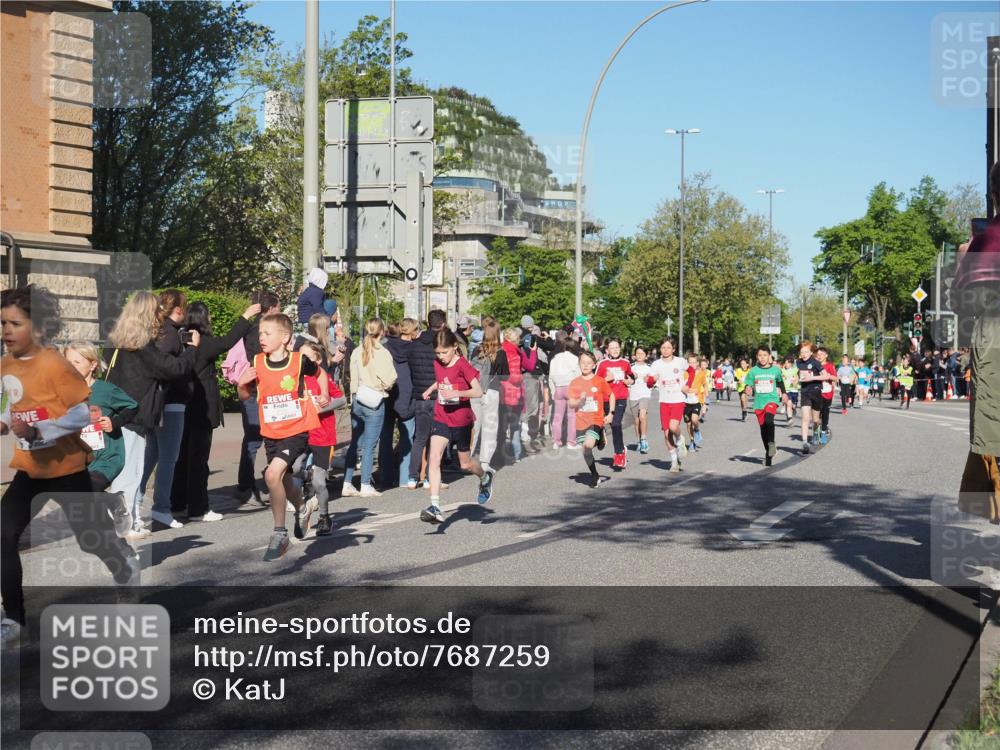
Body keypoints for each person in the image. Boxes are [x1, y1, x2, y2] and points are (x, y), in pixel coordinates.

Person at [1, 286, 138, 646]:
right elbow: (10, 408)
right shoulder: (8, 366)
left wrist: (38, 429)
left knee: (91, 542)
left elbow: (80, 413)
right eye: (2, 323)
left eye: (15, 323)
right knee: (3, 536)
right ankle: (14, 618)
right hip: (31, 469)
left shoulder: (54, 364)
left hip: (67, 468)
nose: (6, 331)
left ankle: (122, 561)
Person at [104, 291, 199, 536]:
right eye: (156, 311)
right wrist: (191, 350)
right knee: (131, 471)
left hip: (116, 412)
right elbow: (173, 368)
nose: (160, 315)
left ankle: (130, 520)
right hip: (136, 412)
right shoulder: (141, 345)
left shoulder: (116, 342)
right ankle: (124, 523)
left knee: (126, 468)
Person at [236, 312, 321, 560]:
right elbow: (245, 396)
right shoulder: (258, 363)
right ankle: (303, 506)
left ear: (285, 337)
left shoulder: (299, 361)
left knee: (272, 474)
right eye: (260, 333)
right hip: (272, 432)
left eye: (267, 333)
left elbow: (319, 373)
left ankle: (280, 533)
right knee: (283, 481)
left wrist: (323, 392)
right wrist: (241, 385)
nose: (261, 337)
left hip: (296, 430)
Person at [170, 300, 261, 522]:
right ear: (203, 317)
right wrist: (246, 316)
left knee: (181, 457)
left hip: (183, 405)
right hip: (201, 407)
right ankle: (198, 509)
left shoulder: (180, 339)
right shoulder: (203, 342)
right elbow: (228, 341)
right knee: (198, 459)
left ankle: (178, 503)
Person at [955, 159, 1000, 522]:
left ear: (995, 196)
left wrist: (962, 261)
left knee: (994, 439)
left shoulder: (986, 240)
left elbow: (960, 303)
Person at [62, 342, 138, 536]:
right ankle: (113, 508)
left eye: (77, 362)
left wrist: (115, 422)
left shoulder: (105, 390)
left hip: (107, 456)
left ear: (93, 365)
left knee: (87, 491)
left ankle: (112, 512)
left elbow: (132, 407)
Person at [419, 328, 490, 524]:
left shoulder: (463, 365)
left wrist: (457, 395)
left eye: (445, 352)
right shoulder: (437, 362)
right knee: (434, 458)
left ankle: (484, 478)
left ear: (455, 348)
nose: (441, 357)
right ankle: (435, 506)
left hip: (461, 420)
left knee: (465, 464)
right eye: (438, 353)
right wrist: (432, 388)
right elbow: (443, 380)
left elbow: (478, 391)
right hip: (442, 416)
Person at [140, 289, 197, 529]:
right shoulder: (171, 334)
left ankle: (131, 500)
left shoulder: (158, 330)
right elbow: (168, 367)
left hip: (160, 401)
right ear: (178, 309)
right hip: (171, 402)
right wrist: (192, 349)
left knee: (152, 454)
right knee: (168, 458)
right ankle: (161, 507)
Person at [342, 318, 397, 498]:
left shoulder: (358, 350)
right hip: (374, 400)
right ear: (382, 332)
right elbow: (390, 378)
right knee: (370, 446)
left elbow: (351, 375)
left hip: (358, 398)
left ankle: (347, 482)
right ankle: (365, 484)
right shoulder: (382, 352)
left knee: (355, 443)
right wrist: (382, 387)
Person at [235, 291, 281, 506]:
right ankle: (246, 488)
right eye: (278, 308)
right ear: (270, 308)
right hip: (256, 392)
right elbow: (258, 361)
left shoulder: (255, 331)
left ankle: (252, 486)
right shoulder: (256, 333)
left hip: (262, 392)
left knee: (261, 440)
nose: (280, 312)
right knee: (255, 441)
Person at [300, 341, 345, 536]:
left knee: (319, 482)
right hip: (300, 434)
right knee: (292, 470)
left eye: (306, 357)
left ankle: (324, 516)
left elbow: (342, 399)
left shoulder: (322, 377)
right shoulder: (295, 377)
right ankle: (303, 501)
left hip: (322, 434)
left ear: (317, 360)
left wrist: (323, 405)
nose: (301, 361)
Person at [407, 310, 445, 489]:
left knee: (419, 438)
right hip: (439, 396)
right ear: (443, 324)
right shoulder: (442, 345)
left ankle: (412, 477)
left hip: (420, 395)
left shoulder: (414, 346)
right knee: (436, 439)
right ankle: (431, 476)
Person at [567, 350, 614, 488]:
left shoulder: (599, 381)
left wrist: (610, 413)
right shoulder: (575, 383)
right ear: (579, 365)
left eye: (588, 363)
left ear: (594, 365)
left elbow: (611, 395)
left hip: (596, 418)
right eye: (583, 363)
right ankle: (595, 474)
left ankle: (599, 433)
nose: (585, 366)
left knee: (588, 444)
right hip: (581, 421)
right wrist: (579, 401)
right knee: (586, 450)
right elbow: (571, 403)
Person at [379, 320, 415, 491]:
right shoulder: (414, 348)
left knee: (385, 439)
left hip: (387, 395)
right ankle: (404, 478)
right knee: (407, 439)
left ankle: (385, 478)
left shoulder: (384, 348)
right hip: (408, 395)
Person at [471, 317, 508, 471]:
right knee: (489, 428)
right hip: (492, 391)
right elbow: (505, 376)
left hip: (475, 391)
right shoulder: (500, 353)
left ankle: (467, 457)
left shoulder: (476, 350)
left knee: (474, 426)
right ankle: (485, 462)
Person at [649, 338, 690, 473]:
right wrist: (651, 380)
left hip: (678, 399)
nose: (665, 350)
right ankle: (674, 461)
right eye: (663, 347)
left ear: (673, 349)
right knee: (667, 435)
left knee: (673, 427)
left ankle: (680, 439)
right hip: (664, 401)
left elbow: (693, 371)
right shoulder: (656, 364)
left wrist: (687, 385)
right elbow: (649, 383)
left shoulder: (680, 362)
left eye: (668, 347)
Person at [744, 345, 788, 466]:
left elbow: (780, 381)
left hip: (771, 400)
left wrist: (784, 393)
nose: (762, 358)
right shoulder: (753, 371)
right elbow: (748, 384)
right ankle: (768, 452)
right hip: (759, 403)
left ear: (769, 357)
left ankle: (772, 443)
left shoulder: (775, 370)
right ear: (757, 357)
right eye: (760, 355)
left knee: (769, 421)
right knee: (763, 429)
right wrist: (747, 388)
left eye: (765, 355)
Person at [596, 338, 634, 470]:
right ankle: (619, 446)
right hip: (606, 400)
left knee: (616, 423)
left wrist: (630, 382)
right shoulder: (602, 364)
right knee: (612, 425)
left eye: (617, 347)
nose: (615, 350)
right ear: (607, 350)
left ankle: (619, 454)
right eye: (612, 348)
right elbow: (596, 382)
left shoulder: (626, 363)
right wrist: (608, 378)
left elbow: (631, 377)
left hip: (620, 398)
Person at [548, 331, 581, 450]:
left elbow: (550, 376)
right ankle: (571, 442)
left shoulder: (555, 359)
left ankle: (556, 441)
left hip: (558, 388)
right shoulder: (575, 359)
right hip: (571, 388)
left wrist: (553, 391)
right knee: (571, 416)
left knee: (557, 416)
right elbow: (578, 376)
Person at [500, 327, 526, 465]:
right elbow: (515, 377)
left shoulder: (501, 350)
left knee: (502, 426)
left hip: (502, 391)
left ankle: (501, 455)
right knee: (514, 426)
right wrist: (522, 377)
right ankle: (516, 454)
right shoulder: (514, 353)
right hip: (513, 393)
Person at [795, 341, 826, 455]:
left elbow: (825, 375)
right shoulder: (798, 362)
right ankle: (804, 442)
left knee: (816, 420)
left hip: (816, 392)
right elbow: (796, 374)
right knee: (805, 418)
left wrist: (812, 377)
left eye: (806, 352)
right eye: (801, 352)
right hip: (805, 392)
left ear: (811, 352)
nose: (803, 354)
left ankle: (816, 432)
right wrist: (795, 378)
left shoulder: (815, 362)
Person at [629, 345, 653, 453]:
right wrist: (630, 377)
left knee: (643, 416)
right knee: (636, 420)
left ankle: (644, 439)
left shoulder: (649, 368)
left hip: (645, 394)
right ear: (634, 355)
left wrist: (648, 380)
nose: (640, 355)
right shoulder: (630, 367)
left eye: (642, 354)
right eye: (638, 353)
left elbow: (653, 383)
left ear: (646, 356)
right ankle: (638, 441)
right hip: (633, 395)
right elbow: (626, 380)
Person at [683, 352, 706, 449]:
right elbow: (682, 386)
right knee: (688, 424)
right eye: (690, 362)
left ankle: (697, 429)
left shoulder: (701, 374)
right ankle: (692, 441)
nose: (692, 364)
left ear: (697, 363)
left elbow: (704, 385)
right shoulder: (684, 374)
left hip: (697, 401)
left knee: (694, 419)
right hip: (686, 401)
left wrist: (704, 401)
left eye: (694, 362)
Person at [816, 347, 837, 444]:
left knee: (825, 413)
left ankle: (823, 432)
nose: (819, 356)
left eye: (821, 354)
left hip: (827, 393)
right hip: (816, 392)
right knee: (816, 414)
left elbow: (835, 378)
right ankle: (816, 433)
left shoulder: (829, 366)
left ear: (826, 355)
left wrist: (827, 376)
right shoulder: (814, 365)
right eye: (818, 354)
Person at [781, 357, 799, 422]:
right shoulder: (782, 370)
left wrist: (795, 382)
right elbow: (781, 379)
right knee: (788, 403)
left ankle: (793, 409)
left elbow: (797, 377)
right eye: (785, 363)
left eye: (788, 363)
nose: (787, 364)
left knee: (793, 405)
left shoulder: (795, 370)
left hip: (794, 390)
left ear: (791, 364)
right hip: (786, 390)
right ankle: (789, 418)